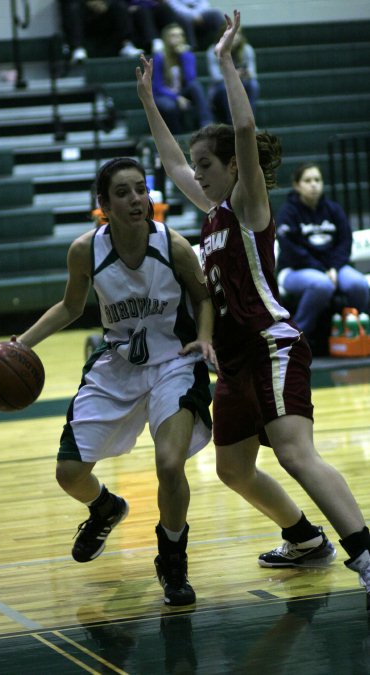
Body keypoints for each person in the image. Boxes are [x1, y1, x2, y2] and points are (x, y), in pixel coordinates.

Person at [136, 10, 370, 611]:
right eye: (199, 167)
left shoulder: (244, 205)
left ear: (233, 169)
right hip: (235, 363)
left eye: (207, 165)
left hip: (271, 344)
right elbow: (170, 164)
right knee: (235, 469)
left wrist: (225, 65)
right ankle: (304, 539)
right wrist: (148, 102)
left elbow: (243, 130)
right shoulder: (210, 213)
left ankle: (367, 557)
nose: (198, 174)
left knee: (294, 453)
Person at [15, 157, 216, 607]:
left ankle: (172, 554)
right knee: (69, 473)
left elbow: (204, 298)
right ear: (103, 204)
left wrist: (203, 339)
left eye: (141, 190)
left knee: (169, 464)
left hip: (174, 363)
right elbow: (70, 307)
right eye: (123, 192)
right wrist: (22, 345)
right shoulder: (85, 250)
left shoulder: (174, 245)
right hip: (118, 364)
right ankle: (105, 507)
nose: (136, 200)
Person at [276, 162, 369, 348]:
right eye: (308, 180)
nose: (313, 185)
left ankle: (358, 333)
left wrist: (333, 267)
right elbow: (291, 249)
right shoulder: (288, 212)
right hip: (294, 270)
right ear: (297, 185)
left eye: (317, 180)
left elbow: (345, 242)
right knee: (321, 284)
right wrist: (323, 269)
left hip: (334, 268)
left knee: (358, 284)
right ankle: (296, 337)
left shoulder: (333, 209)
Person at [152, 23, 213, 134]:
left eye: (180, 35)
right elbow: (157, 87)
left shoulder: (187, 55)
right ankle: (177, 135)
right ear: (166, 38)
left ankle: (206, 124)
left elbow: (191, 79)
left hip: (182, 91)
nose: (178, 38)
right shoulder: (159, 57)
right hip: (165, 94)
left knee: (196, 86)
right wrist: (177, 98)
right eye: (174, 35)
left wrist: (184, 56)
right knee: (170, 106)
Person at [57, 0, 141, 65]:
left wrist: (106, 2)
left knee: (120, 5)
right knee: (73, 7)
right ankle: (78, 48)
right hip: (84, 10)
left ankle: (126, 44)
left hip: (106, 8)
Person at [207, 22, 259, 124]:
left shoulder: (247, 49)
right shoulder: (213, 49)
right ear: (222, 36)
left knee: (253, 85)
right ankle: (232, 122)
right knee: (224, 88)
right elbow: (215, 77)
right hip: (220, 86)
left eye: (237, 33)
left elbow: (253, 74)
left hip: (242, 82)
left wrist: (247, 73)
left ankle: (250, 121)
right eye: (231, 34)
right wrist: (233, 75)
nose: (235, 37)